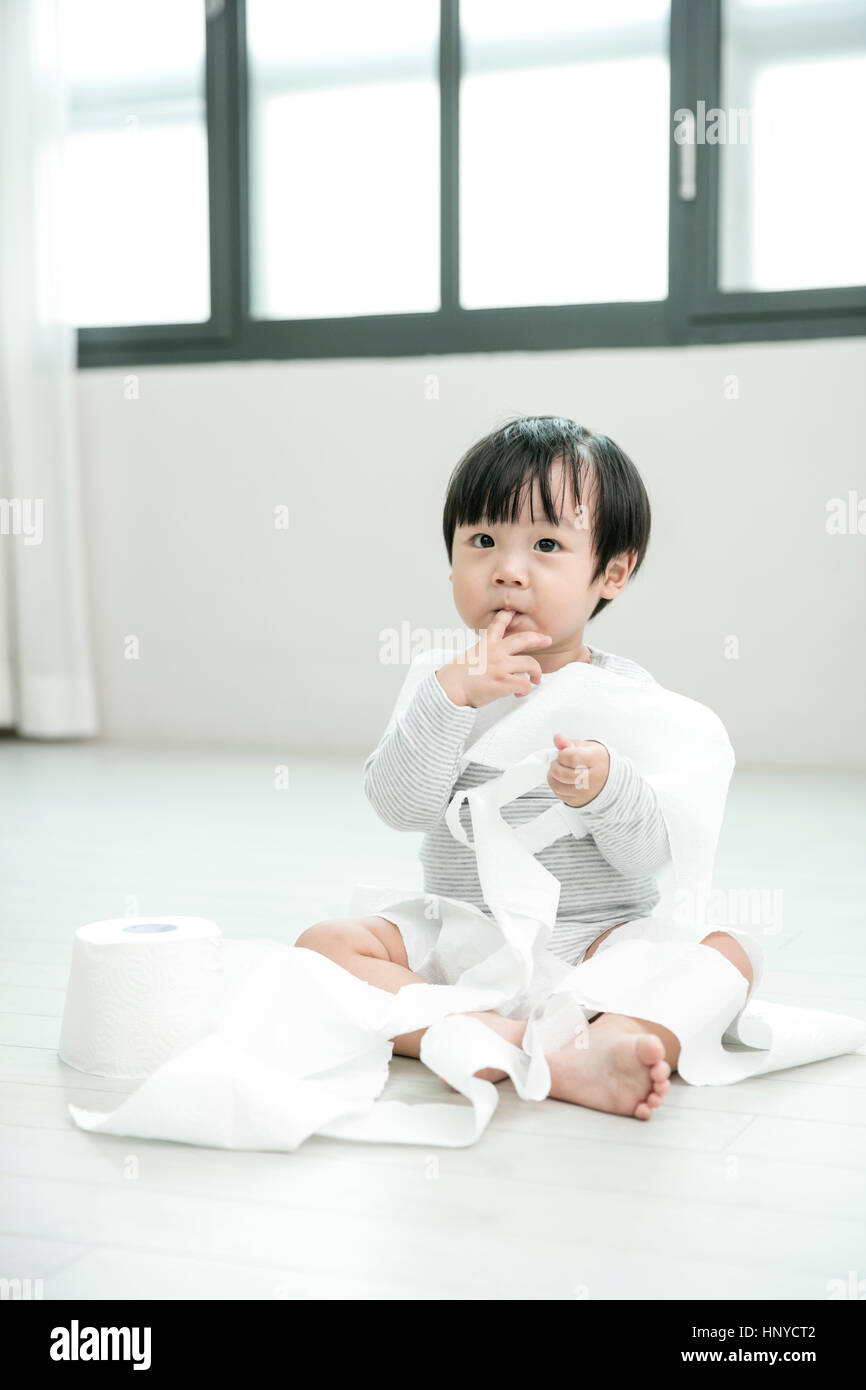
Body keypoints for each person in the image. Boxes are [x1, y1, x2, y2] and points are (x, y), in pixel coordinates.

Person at [296, 416, 753, 1121]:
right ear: (451, 561)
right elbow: (400, 807)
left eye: (546, 545)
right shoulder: (440, 681)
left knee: (727, 952)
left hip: (594, 946)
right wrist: (453, 698)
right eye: (483, 541)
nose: (508, 569)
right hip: (461, 934)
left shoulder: (627, 701)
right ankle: (507, 1038)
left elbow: (650, 856)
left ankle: (617, 1038)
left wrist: (606, 786)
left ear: (613, 572)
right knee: (324, 948)